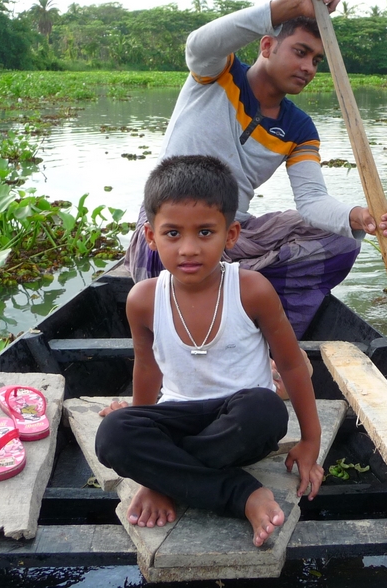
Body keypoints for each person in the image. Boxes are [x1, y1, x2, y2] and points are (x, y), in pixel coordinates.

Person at [124, 0, 387, 339]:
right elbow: (197, 44)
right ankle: (233, 290)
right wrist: (287, 5)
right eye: (300, 52)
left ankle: (270, 335)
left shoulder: (299, 129)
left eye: (317, 60)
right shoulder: (217, 74)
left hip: (233, 230)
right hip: (175, 224)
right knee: (178, 244)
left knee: (342, 240)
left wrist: (360, 216)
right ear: (267, 46)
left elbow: (312, 201)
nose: (308, 68)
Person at [96, 154, 324, 547]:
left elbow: (289, 364)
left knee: (265, 410)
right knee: (114, 435)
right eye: (172, 234)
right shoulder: (143, 299)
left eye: (205, 232)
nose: (188, 248)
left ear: (230, 235)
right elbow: (147, 370)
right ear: (150, 236)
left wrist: (310, 441)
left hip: (238, 417)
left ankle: (172, 477)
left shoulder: (252, 289)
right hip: (178, 413)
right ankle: (241, 493)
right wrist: (142, 428)